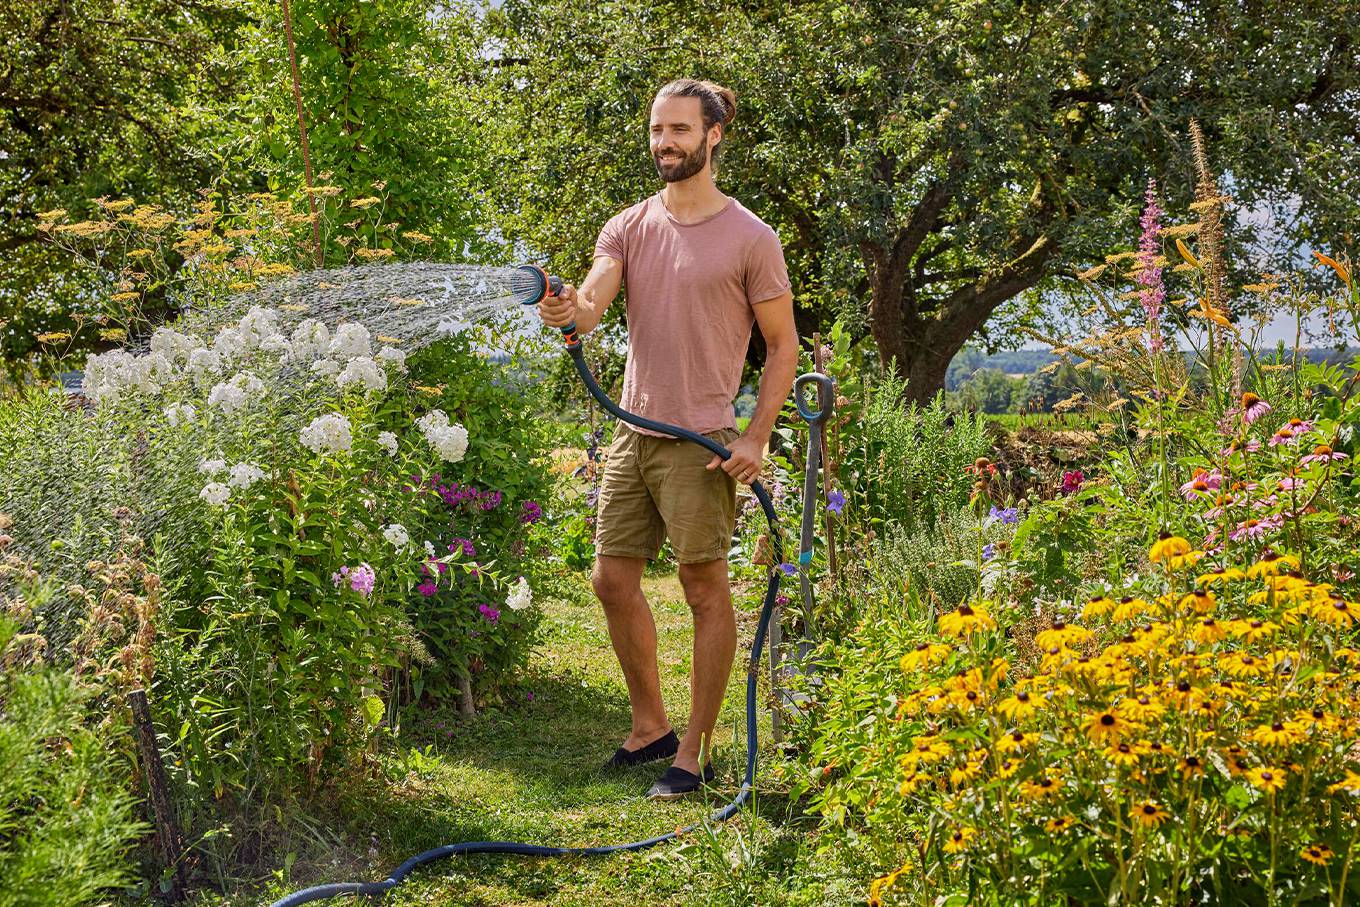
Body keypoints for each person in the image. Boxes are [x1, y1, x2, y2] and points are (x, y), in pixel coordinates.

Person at [536, 78, 798, 800]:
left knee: (703, 585)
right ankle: (649, 724)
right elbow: (590, 307)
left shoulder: (751, 237)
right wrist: (564, 306)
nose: (665, 143)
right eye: (657, 130)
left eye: (680, 130)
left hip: (703, 437)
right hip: (634, 429)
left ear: (714, 135)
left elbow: (783, 348)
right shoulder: (627, 225)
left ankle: (697, 746)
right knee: (610, 578)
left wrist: (756, 436)